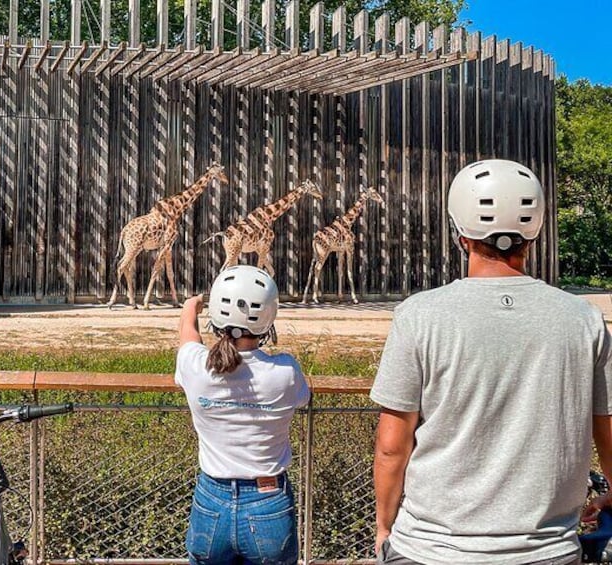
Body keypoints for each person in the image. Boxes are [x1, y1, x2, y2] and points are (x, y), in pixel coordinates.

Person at [370, 159, 612, 565]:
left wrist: (384, 528)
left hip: (429, 550)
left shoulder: (418, 315)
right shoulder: (584, 318)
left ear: (460, 234)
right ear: (533, 233)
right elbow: (607, 431)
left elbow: (392, 447)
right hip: (545, 552)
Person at [175, 265, 311, 565]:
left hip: (212, 500)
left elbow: (189, 337)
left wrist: (190, 308)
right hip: (268, 500)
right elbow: (303, 398)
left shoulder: (196, 367)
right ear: (268, 318)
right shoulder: (286, 371)